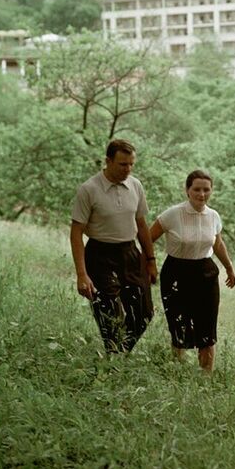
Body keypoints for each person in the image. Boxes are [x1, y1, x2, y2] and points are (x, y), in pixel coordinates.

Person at [70, 139, 157, 354]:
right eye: (122, 164)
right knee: (109, 311)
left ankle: (120, 352)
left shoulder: (135, 185)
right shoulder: (89, 189)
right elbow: (76, 232)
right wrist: (81, 274)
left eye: (131, 164)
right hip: (100, 253)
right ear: (108, 161)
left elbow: (142, 224)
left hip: (129, 251)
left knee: (144, 312)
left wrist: (151, 260)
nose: (128, 169)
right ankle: (113, 355)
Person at [150, 170, 235, 372]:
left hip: (205, 272)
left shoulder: (213, 216)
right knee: (179, 324)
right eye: (197, 189)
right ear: (187, 190)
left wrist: (229, 268)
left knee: (207, 327)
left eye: (206, 189)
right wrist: (148, 263)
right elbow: (148, 237)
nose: (202, 194)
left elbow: (218, 244)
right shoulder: (172, 214)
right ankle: (176, 372)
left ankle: (206, 379)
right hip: (176, 272)